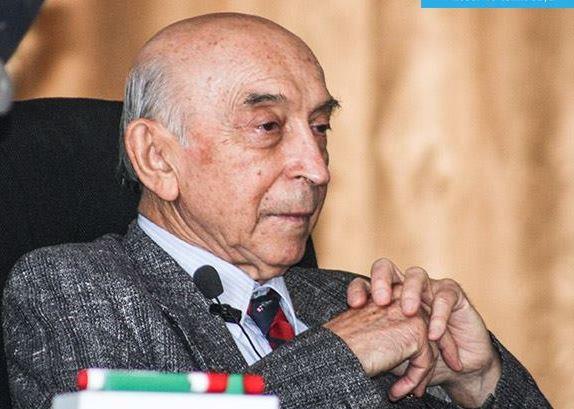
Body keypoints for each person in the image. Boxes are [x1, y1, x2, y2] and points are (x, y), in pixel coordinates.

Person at [2, 13, 549, 409]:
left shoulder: (356, 302)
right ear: (157, 157)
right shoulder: (74, 287)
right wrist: (342, 353)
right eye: (268, 127)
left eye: (320, 128)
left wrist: (480, 381)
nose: (317, 168)